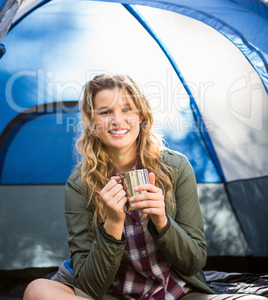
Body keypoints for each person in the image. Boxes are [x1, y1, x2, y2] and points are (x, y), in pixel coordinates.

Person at [23, 74, 266, 300]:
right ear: (93, 123)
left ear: (140, 115)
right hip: (113, 293)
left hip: (174, 291)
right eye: (105, 112)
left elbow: (194, 263)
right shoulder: (79, 185)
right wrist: (113, 223)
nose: (118, 120)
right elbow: (90, 287)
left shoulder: (176, 167)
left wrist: (162, 221)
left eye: (127, 109)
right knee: (36, 290)